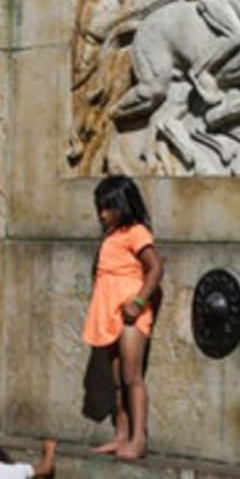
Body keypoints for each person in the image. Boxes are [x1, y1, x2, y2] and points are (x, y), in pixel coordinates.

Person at [83, 175, 163, 460]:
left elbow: (155, 268)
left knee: (132, 377)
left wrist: (139, 302)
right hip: (110, 313)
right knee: (117, 379)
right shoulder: (112, 236)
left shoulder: (137, 232)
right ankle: (121, 435)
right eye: (100, 208)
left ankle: (139, 439)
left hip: (131, 314)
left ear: (123, 205)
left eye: (108, 208)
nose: (103, 215)